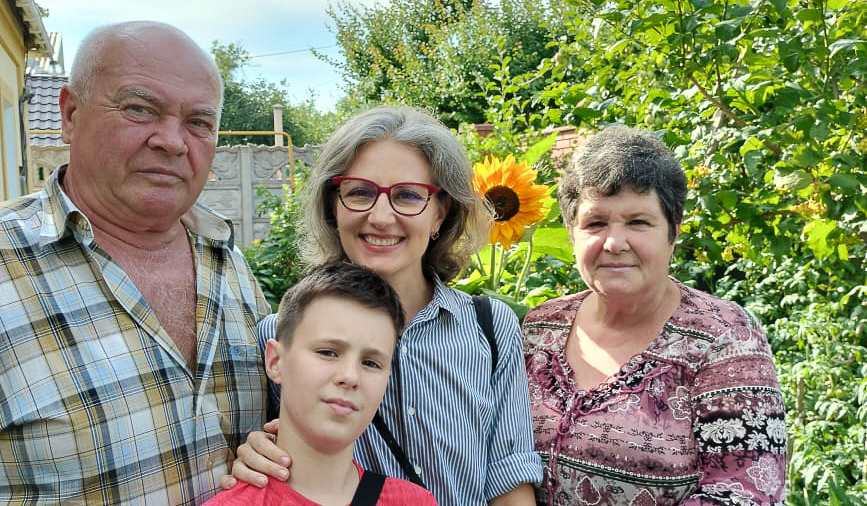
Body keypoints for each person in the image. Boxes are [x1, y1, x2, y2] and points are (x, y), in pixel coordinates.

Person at [0, 21, 270, 503]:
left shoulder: (230, 267)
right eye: (140, 109)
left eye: (199, 122)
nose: (172, 140)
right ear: (70, 114)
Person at [225, 106, 543, 505]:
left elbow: (509, 474)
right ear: (333, 206)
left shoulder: (488, 328)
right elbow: (272, 451)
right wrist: (255, 451)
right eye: (359, 192)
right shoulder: (281, 334)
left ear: (440, 214)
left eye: (408, 196)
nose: (380, 216)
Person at [523, 126, 787, 505]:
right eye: (595, 223)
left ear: (673, 232)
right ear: (571, 233)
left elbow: (743, 494)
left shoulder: (726, 338)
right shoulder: (539, 328)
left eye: (638, 222)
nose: (614, 243)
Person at [206, 262, 436, 505]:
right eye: (328, 352)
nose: (350, 376)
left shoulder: (415, 501)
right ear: (275, 361)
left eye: (370, 363)